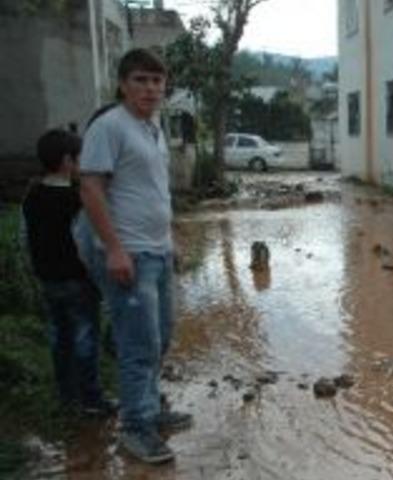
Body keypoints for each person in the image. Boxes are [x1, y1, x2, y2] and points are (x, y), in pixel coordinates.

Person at [79, 48, 191, 465]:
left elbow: (153, 192)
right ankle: (135, 427)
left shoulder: (152, 128)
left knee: (160, 336)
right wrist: (113, 249)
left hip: (157, 250)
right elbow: (91, 189)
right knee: (139, 345)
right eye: (141, 80)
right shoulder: (110, 126)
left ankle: (150, 406)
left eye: (157, 81)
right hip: (130, 253)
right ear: (123, 84)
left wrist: (171, 239)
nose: (150, 88)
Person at [21, 129, 115, 417]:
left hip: (47, 278)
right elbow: (86, 242)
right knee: (85, 338)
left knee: (59, 337)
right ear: (66, 161)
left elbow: (25, 237)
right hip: (77, 280)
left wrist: (33, 268)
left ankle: (67, 396)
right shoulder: (76, 198)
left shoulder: (32, 195)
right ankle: (91, 398)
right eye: (79, 158)